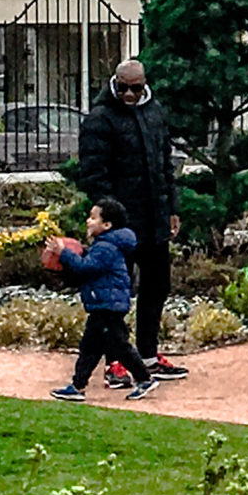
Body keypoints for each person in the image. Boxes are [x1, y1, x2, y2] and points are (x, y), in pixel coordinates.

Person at [77, 58, 186, 382]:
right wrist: (109, 219)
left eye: (134, 88)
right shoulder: (100, 119)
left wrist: (172, 208)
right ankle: (116, 363)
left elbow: (164, 165)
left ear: (143, 85)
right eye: (122, 87)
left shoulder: (154, 113)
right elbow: (94, 174)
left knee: (156, 287)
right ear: (115, 82)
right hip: (120, 226)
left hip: (153, 219)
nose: (127, 93)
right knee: (115, 295)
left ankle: (149, 356)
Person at [48, 198, 158, 401]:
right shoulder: (104, 245)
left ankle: (144, 379)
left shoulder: (106, 247)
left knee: (118, 346)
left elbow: (86, 267)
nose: (88, 221)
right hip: (104, 304)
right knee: (91, 347)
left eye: (93, 217)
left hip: (108, 305)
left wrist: (64, 254)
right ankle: (78, 386)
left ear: (107, 225)